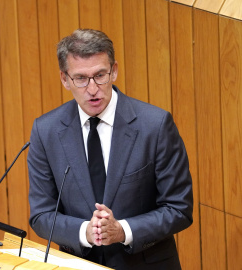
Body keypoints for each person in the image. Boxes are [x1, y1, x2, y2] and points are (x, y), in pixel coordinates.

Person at [27, 29, 193, 270]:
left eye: (100, 75)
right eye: (81, 78)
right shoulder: (46, 131)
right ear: (65, 79)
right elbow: (41, 215)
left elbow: (179, 208)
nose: (92, 89)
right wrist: (86, 231)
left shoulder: (154, 126)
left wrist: (122, 231)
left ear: (114, 70)